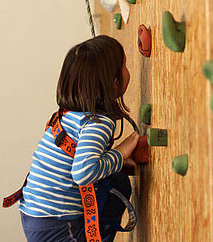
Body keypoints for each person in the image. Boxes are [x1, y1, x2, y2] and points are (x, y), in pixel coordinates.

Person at [18, 35, 140, 241]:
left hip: (36, 214)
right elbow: (84, 173)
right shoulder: (97, 123)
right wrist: (119, 153)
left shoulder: (68, 116)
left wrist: (112, 160)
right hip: (56, 223)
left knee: (115, 178)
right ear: (114, 82)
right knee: (119, 184)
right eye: (125, 65)